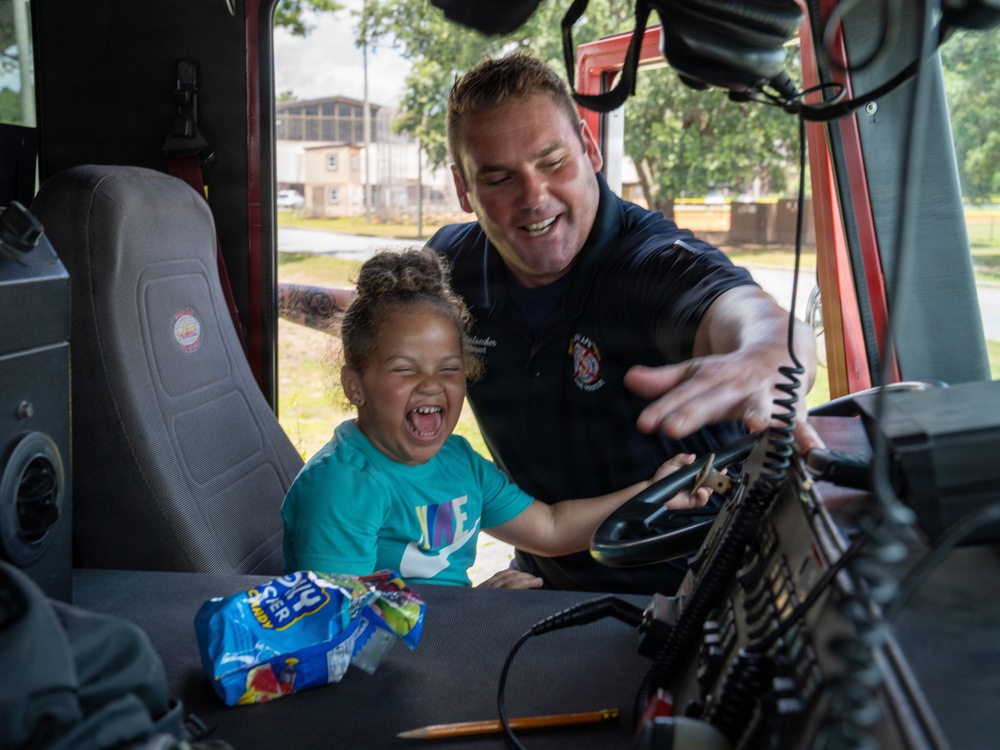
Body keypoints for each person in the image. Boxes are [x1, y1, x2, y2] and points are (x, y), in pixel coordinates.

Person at [278, 51, 818, 595]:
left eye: (553, 161)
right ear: (464, 189)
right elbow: (387, 325)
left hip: (699, 593)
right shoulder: (455, 265)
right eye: (497, 177)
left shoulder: (652, 263)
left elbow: (751, 316)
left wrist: (770, 356)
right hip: (545, 591)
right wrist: (266, 298)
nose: (534, 197)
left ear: (588, 146)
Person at [280, 248, 711, 589]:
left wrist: (654, 494)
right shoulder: (343, 486)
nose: (432, 384)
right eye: (405, 369)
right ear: (356, 386)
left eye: (449, 368)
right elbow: (337, 627)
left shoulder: (457, 462)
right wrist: (475, 612)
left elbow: (551, 527)